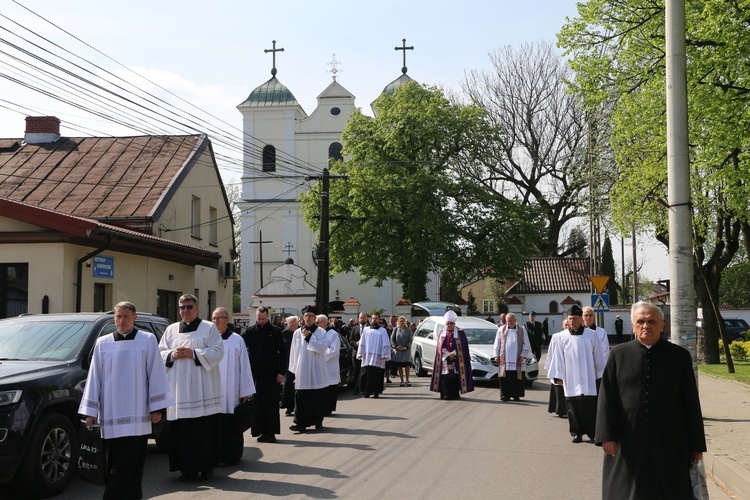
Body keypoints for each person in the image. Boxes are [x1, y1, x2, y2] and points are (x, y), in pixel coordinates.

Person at [596, 302, 706, 499]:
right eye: (641, 321)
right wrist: (606, 435)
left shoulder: (679, 357)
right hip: (627, 439)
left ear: (662, 325)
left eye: (651, 321)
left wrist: (697, 444)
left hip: (670, 441)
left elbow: (690, 401)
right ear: (633, 325)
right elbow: (607, 397)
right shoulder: (618, 354)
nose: (646, 325)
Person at [79, 302, 174, 499]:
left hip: (138, 413)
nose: (121, 321)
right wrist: (90, 411)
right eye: (118, 317)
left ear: (134, 318)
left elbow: (155, 374)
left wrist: (157, 408)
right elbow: (94, 377)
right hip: (111, 413)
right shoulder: (103, 343)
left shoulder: (147, 340)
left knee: (133, 460)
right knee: (113, 459)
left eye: (126, 316)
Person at [159, 293, 224, 481]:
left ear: (196, 308)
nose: (185, 310)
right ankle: (185, 470)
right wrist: (172, 354)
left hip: (201, 389)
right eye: (182, 307)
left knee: (200, 431)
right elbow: (159, 353)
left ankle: (205, 468)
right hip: (178, 390)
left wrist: (194, 354)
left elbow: (218, 351)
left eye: (189, 306)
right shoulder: (171, 330)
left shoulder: (209, 328)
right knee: (181, 432)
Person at [546, 304, 605, 443]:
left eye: (575, 318)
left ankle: (593, 433)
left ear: (581, 320)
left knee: (590, 406)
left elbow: (598, 356)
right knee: (573, 407)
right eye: (570, 318)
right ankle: (576, 432)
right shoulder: (561, 337)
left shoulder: (592, 335)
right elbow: (558, 357)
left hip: (589, 376)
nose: (572, 321)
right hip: (570, 377)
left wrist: (600, 375)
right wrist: (558, 375)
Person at [212, 307, 255, 466]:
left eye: (219, 318)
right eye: (214, 318)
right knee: (214, 424)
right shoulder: (208, 339)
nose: (216, 321)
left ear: (227, 320)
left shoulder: (237, 340)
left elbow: (244, 366)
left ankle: (232, 455)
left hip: (232, 389)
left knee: (231, 423)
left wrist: (245, 390)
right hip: (213, 389)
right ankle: (215, 455)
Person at [242, 306, 286, 443]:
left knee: (271, 405)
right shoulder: (249, 332)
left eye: (263, 318)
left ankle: (271, 433)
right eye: (259, 319)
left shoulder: (276, 331)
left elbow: (283, 353)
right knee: (258, 404)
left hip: (272, 374)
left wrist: (281, 372)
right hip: (255, 375)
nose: (261, 321)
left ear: (268, 317)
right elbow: (239, 346)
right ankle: (260, 432)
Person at [288, 305, 328, 432]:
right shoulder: (297, 333)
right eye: (306, 316)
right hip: (302, 368)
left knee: (316, 397)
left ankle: (317, 420)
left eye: (310, 316)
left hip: (316, 368)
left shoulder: (321, 332)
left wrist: (310, 337)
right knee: (300, 396)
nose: (308, 318)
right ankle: (300, 423)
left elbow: (322, 348)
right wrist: (294, 369)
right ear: (303, 318)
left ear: (315, 317)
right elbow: (294, 352)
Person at [430, 310, 474, 400]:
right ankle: (446, 394)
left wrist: (454, 354)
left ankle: (455, 393)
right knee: (445, 378)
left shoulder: (460, 333)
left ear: (454, 324)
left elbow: (463, 346)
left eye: (451, 323)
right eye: (447, 323)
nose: (449, 325)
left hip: (457, 359)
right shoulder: (442, 333)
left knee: (455, 377)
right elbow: (439, 346)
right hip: (445, 359)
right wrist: (447, 354)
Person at [493, 312, 533, 402]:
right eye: (508, 321)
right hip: (505, 358)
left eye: (511, 321)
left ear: (515, 320)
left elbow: (526, 343)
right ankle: (505, 395)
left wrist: (523, 355)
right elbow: (497, 342)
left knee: (517, 377)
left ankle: (516, 395)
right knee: (505, 377)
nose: (509, 323)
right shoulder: (501, 329)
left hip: (518, 357)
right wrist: (496, 355)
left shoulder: (521, 329)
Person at [357, 313, 391, 398]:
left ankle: (376, 392)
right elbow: (362, 342)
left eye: (376, 318)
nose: (374, 320)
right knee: (367, 374)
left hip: (378, 357)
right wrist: (360, 353)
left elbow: (386, 343)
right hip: (367, 356)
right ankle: (367, 392)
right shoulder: (366, 330)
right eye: (373, 318)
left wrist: (384, 354)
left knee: (377, 374)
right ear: (371, 319)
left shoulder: (382, 330)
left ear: (379, 320)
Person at [545, 317, 569, 418]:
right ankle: (560, 409)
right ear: (563, 326)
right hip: (558, 364)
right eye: (566, 324)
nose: (567, 326)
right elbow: (551, 351)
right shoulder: (556, 336)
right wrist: (550, 366)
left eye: (569, 324)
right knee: (559, 387)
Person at [319, 314, 341, 416]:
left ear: (324, 323)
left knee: (330, 387)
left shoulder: (333, 334)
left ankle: (329, 408)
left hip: (330, 364)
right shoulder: (316, 333)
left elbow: (334, 350)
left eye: (318, 322)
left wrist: (321, 354)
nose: (316, 324)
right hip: (319, 365)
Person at [280, 315, 299, 416]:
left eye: (294, 325)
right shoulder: (285, 333)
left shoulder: (300, 332)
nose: (292, 327)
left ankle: (297, 406)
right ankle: (288, 405)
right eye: (290, 325)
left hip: (299, 362)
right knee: (288, 385)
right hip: (289, 362)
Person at [390, 316, 413, 386]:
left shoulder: (408, 330)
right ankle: (402, 380)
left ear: (405, 322)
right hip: (398, 350)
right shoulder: (396, 329)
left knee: (407, 365)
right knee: (399, 366)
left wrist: (406, 347)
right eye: (400, 321)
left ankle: (407, 379)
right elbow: (392, 339)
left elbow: (410, 339)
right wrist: (395, 346)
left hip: (406, 350)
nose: (402, 322)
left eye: (403, 321)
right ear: (398, 322)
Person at [349, 312, 369, 395]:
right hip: (357, 353)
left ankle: (365, 388)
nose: (362, 319)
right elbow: (350, 340)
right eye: (361, 317)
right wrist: (356, 343)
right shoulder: (355, 328)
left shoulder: (370, 328)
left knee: (366, 372)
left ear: (367, 318)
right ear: (358, 318)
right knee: (357, 371)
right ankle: (357, 388)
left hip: (367, 354)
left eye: (364, 317)